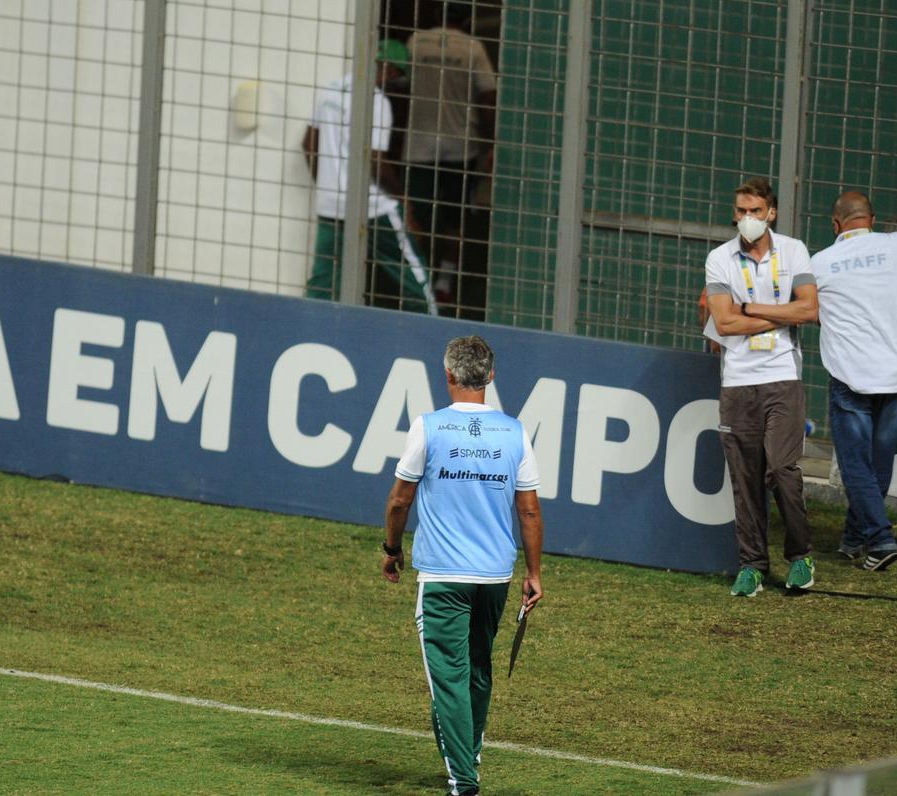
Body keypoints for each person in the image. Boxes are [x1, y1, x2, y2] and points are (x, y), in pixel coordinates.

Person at [381, 335, 543, 796]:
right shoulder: (514, 431)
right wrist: (534, 574)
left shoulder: (428, 427)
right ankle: (467, 756)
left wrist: (391, 549)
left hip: (443, 577)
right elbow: (529, 511)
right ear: (490, 376)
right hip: (495, 575)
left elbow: (399, 499)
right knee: (476, 669)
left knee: (449, 677)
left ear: (448, 376)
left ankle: (464, 781)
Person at [811, 191, 897, 572]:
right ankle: (854, 539)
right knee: (878, 467)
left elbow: (809, 309)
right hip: (895, 375)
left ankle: (879, 538)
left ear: (835, 224)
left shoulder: (821, 263)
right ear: (872, 218)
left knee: (856, 467)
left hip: (850, 376)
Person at [703, 177, 819, 597]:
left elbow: (810, 308)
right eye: (741, 211)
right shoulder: (720, 259)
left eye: (755, 211)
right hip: (738, 382)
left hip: (782, 377)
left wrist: (749, 306)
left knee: (782, 470)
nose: (747, 219)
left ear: (771, 213)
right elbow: (724, 322)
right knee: (745, 477)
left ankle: (800, 555)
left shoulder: (794, 250)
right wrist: (782, 315)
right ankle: (751, 564)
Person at [302, 40, 438, 315]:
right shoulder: (376, 102)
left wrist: (330, 183)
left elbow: (308, 144)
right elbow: (375, 162)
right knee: (413, 276)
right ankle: (434, 330)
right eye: (398, 76)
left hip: (332, 204)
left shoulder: (331, 91)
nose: (396, 83)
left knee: (322, 282)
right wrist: (402, 198)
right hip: (373, 208)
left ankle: (310, 329)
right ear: (388, 69)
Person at [404, 2, 498, 316]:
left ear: (436, 15)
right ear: (467, 20)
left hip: (419, 144)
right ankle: (444, 283)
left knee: (414, 214)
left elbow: (399, 88)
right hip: (461, 147)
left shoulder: (416, 42)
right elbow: (487, 96)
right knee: (453, 220)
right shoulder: (473, 48)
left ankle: (418, 278)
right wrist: (492, 141)